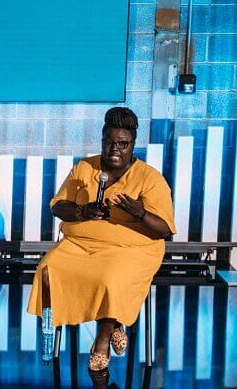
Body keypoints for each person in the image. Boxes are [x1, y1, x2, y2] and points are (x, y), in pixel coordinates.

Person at [26, 106, 174, 371]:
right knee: (47, 270)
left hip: (131, 248)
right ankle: (109, 323)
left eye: (122, 144)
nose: (114, 150)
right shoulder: (84, 167)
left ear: (133, 144)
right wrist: (82, 211)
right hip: (80, 244)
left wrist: (139, 212)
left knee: (109, 278)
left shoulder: (150, 178)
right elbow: (56, 205)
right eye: (109, 143)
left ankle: (102, 341)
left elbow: (164, 229)